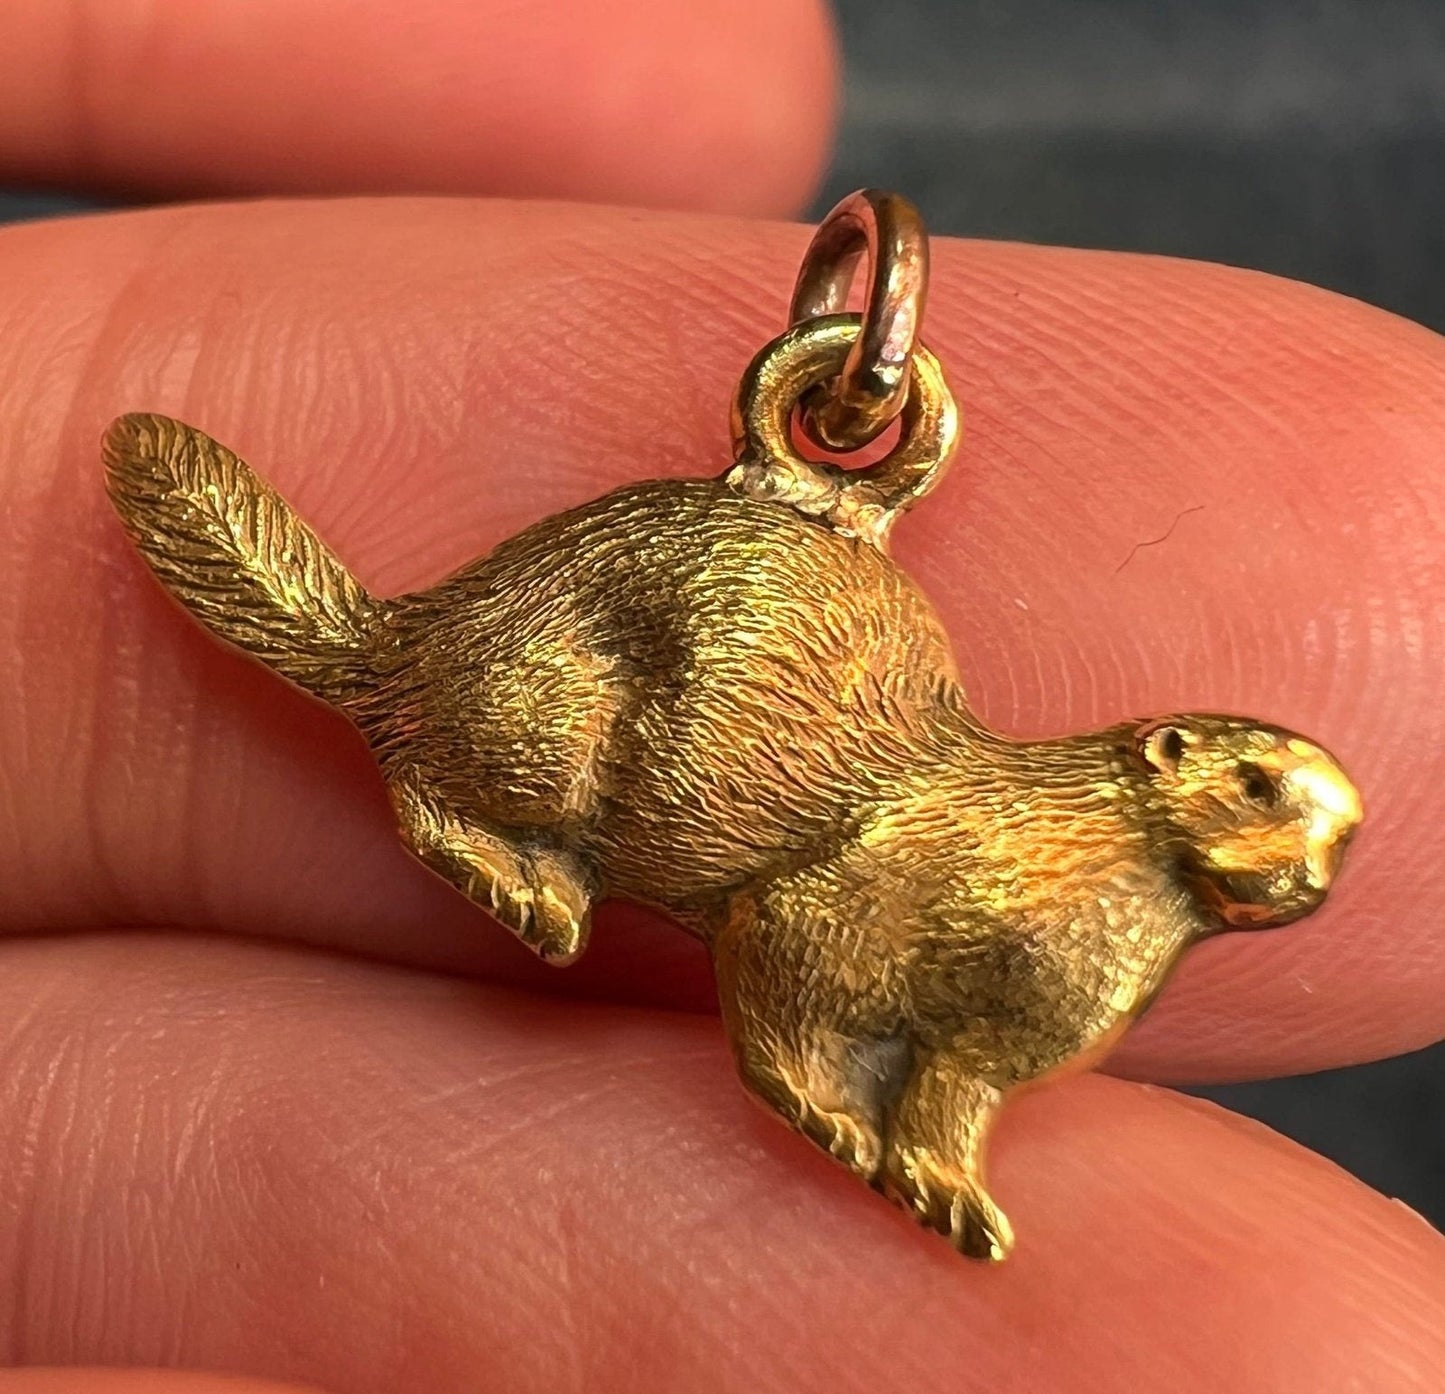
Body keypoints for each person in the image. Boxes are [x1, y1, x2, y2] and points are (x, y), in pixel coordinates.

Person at [0, 2, 1440, 1391]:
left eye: (1312, 839)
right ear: (1168, 752)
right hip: (553, 686)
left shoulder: (1096, 954)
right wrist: (811, 1084)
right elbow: (794, 924)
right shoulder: (978, 835)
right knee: (536, 744)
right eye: (1268, 791)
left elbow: (973, 1045)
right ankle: (451, 805)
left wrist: (931, 1147)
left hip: (751, 667)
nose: (1300, 858)